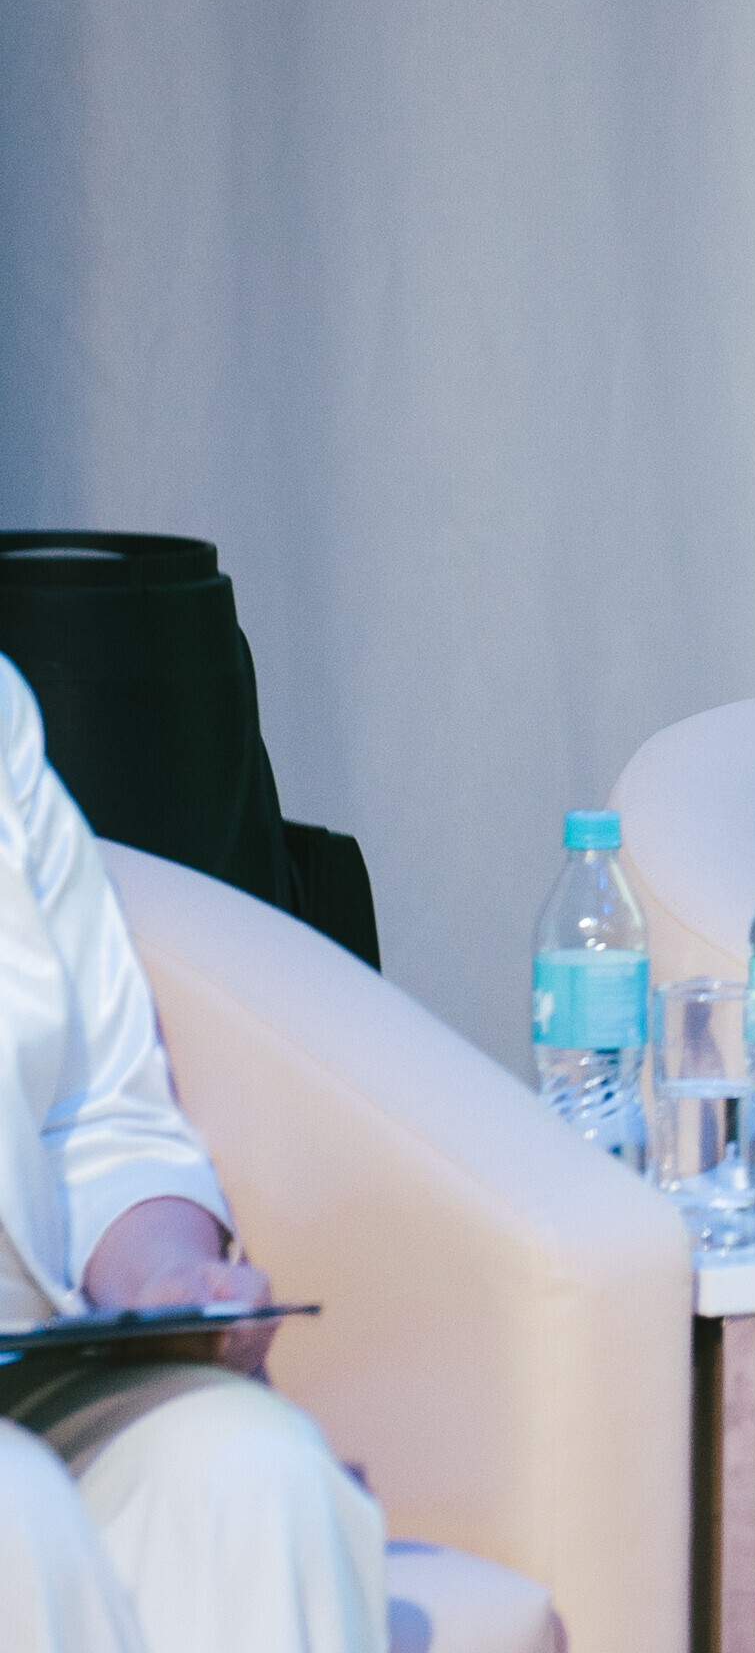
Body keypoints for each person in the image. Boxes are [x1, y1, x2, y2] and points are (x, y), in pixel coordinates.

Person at [0, 651, 388, 1653]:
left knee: (256, 1473)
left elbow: (96, 1112)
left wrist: (168, 1280)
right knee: (14, 1513)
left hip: (23, 1366)